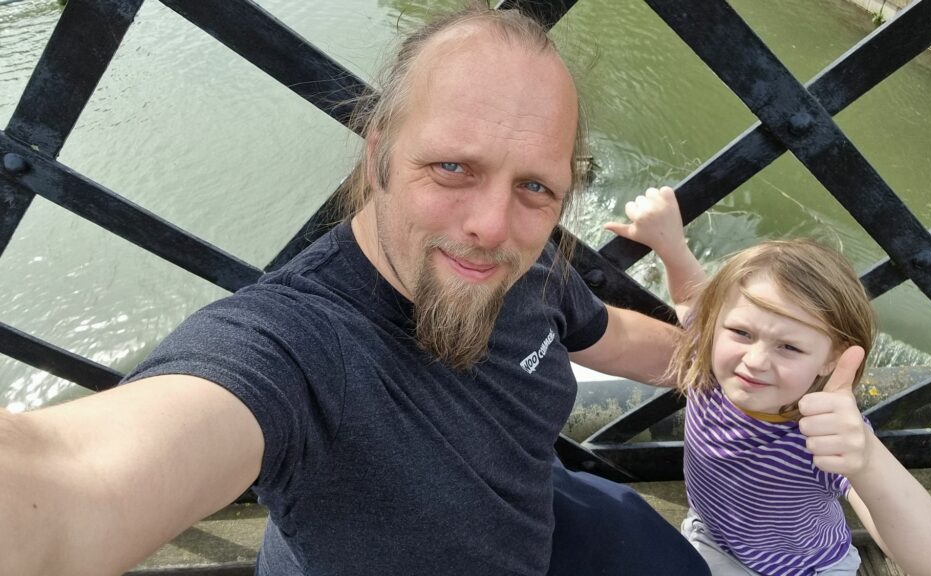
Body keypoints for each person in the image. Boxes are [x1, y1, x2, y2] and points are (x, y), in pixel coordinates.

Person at [0, 6, 711, 576]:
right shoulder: (301, 348)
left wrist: (760, 374)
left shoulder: (532, 260)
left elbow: (614, 337)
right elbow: (70, 485)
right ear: (379, 157)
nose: (493, 226)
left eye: (534, 185)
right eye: (453, 167)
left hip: (541, 522)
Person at [605, 186, 931, 576]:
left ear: (832, 358)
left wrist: (868, 460)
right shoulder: (709, 361)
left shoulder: (825, 431)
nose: (754, 361)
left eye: (788, 347)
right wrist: (671, 246)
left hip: (809, 568)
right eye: (741, 332)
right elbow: (692, 301)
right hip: (713, 539)